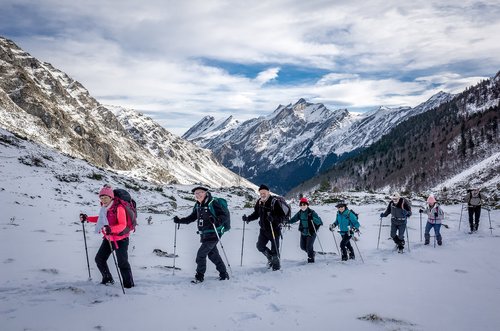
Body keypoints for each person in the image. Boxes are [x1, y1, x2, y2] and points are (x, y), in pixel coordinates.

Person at [80, 185, 134, 288]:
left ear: (111, 197)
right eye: (101, 197)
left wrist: (111, 229)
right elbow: (100, 219)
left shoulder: (119, 208)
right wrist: (88, 218)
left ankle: (129, 285)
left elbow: (122, 225)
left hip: (121, 239)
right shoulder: (104, 208)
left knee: (122, 263)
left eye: (105, 197)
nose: (103, 200)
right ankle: (108, 279)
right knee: (99, 259)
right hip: (109, 238)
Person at [173, 186, 229, 283]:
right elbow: (191, 218)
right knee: (213, 255)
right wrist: (179, 221)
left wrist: (216, 221)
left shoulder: (213, 203)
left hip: (214, 234)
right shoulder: (198, 206)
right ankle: (224, 274)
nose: (198, 195)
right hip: (204, 235)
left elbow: (224, 216)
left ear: (205, 193)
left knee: (201, 255)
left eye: (200, 192)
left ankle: (199, 276)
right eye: (196, 193)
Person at [242, 184, 286, 271]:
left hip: (274, 230)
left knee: (275, 251)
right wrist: (248, 218)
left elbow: (282, 216)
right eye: (261, 193)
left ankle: (276, 270)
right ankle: (270, 258)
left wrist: (273, 218)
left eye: (264, 193)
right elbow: (256, 214)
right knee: (260, 246)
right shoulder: (259, 202)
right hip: (264, 230)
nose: (262, 194)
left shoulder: (274, 202)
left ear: (268, 192)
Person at [288, 197, 323, 263]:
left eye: (304, 204)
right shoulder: (300, 213)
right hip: (303, 232)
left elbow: (319, 222)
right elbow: (294, 219)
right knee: (302, 247)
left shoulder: (312, 212)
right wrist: (287, 222)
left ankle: (311, 260)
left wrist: (312, 218)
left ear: (307, 205)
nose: (303, 206)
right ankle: (312, 253)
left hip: (311, 232)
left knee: (309, 247)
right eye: (301, 205)